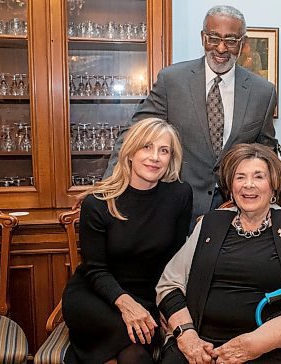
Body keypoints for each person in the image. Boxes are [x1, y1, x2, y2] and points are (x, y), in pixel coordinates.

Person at [101, 5, 281, 227]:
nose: (221, 48)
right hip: (175, 209)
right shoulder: (172, 81)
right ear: (203, 38)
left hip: (236, 212)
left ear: (242, 43)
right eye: (214, 38)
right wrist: (108, 186)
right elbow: (133, 134)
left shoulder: (263, 92)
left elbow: (266, 152)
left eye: (231, 40)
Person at [156, 143, 281, 364]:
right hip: (201, 343)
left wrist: (254, 344)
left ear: (273, 185)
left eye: (259, 177)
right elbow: (169, 283)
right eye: (240, 177)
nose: (249, 185)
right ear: (231, 185)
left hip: (266, 347)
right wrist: (187, 336)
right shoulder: (210, 224)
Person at [62, 118, 193, 364]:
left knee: (136, 351)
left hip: (148, 296)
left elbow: (175, 260)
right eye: (147, 147)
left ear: (170, 159)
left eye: (163, 150)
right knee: (133, 340)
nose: (155, 157)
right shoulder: (98, 202)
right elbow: (95, 269)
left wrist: (169, 305)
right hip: (98, 296)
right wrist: (125, 305)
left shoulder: (179, 195)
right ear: (130, 152)